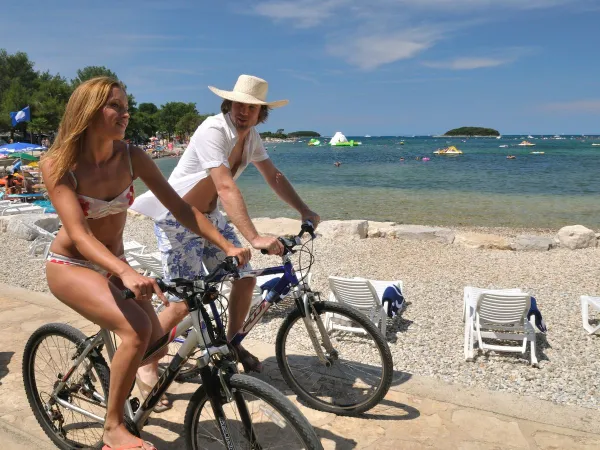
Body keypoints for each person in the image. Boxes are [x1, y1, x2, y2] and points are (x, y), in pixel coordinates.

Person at [42, 77, 250, 450]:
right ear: (88, 112)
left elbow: (181, 207)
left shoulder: (132, 156)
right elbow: (80, 234)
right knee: (137, 331)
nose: (125, 113)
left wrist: (226, 244)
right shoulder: (59, 164)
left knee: (155, 347)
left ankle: (117, 364)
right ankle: (112, 427)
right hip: (71, 265)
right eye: (115, 107)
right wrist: (125, 271)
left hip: (116, 264)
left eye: (126, 106)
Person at [132, 74, 320, 373]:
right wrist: (254, 237)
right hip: (178, 219)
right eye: (238, 104)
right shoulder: (213, 129)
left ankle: (231, 343)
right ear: (229, 103)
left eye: (251, 107)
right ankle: (146, 364)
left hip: (210, 219)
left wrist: (304, 209)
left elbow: (273, 175)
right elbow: (225, 187)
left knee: (244, 278)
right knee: (183, 303)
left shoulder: (251, 138)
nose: (243, 111)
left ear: (261, 113)